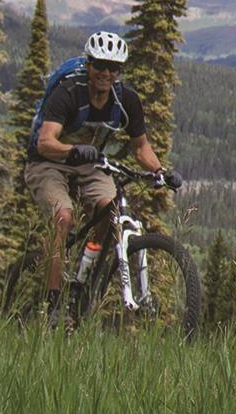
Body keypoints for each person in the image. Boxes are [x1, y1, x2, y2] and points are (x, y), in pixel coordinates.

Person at [23, 29, 168, 324]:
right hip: (48, 162)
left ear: (119, 71)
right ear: (88, 64)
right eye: (100, 64)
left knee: (109, 207)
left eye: (113, 67)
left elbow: (141, 147)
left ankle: (82, 276)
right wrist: (73, 150)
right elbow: (45, 141)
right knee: (63, 216)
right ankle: (52, 304)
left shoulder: (125, 100)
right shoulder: (68, 93)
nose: (106, 72)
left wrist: (160, 172)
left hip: (90, 164)